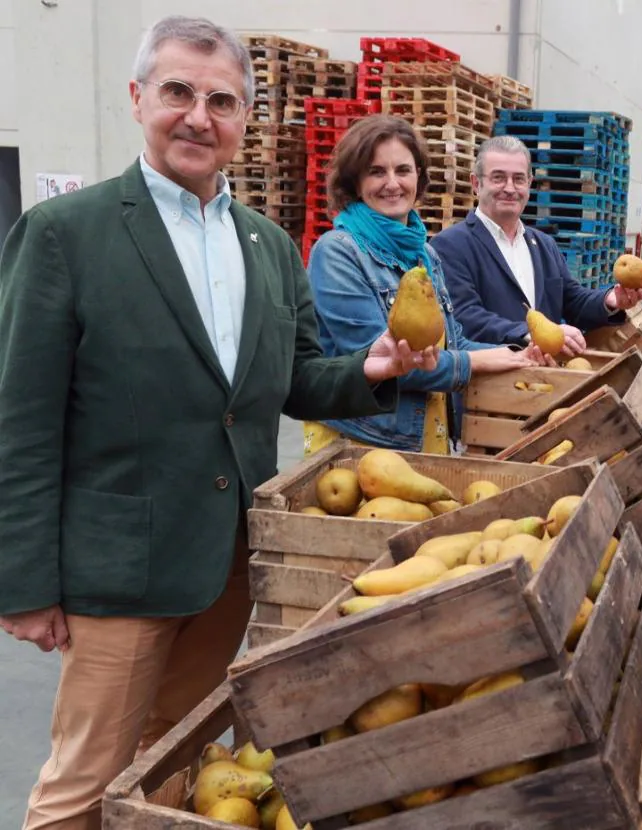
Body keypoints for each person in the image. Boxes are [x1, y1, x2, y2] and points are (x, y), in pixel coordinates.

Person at [0, 17, 430, 830]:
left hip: (226, 561)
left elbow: (294, 377)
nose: (199, 116)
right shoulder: (67, 235)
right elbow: (20, 420)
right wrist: (23, 582)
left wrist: (368, 372)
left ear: (244, 121)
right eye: (178, 93)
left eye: (222, 101)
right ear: (137, 99)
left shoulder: (266, 245)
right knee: (83, 784)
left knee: (180, 758)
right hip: (119, 569)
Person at [303, 115, 543, 455]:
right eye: (376, 172)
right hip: (360, 446)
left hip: (426, 438)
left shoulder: (424, 255)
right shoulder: (338, 253)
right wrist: (477, 363)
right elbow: (383, 360)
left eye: (403, 170)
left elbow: (453, 342)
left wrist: (512, 355)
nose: (392, 183)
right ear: (355, 182)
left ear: (419, 176)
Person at [431, 135, 642, 356]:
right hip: (486, 382)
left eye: (519, 179)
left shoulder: (543, 245)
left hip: (546, 379)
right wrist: (530, 333)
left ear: (529, 184)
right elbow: (465, 316)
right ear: (476, 183)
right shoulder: (450, 246)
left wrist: (609, 300)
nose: (510, 188)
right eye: (498, 178)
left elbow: (572, 299)